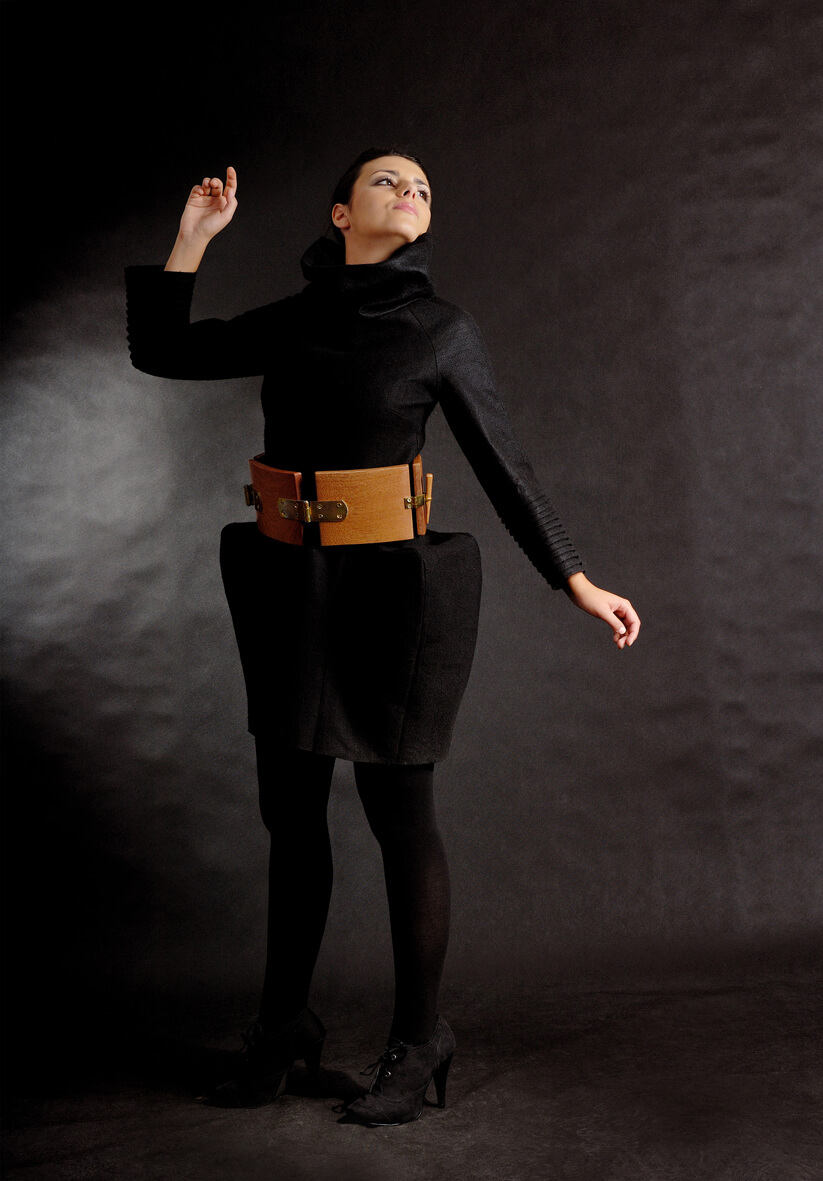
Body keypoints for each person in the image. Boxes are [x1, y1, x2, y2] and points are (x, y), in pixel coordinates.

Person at [125, 148, 640, 1127]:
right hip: (289, 584)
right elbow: (163, 350)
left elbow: (504, 463)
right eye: (387, 182)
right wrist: (191, 238)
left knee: (398, 813)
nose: (409, 193)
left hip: (393, 595)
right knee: (290, 812)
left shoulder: (441, 330)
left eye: (422, 189)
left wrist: (574, 578)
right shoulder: (296, 318)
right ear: (340, 212)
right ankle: (283, 1028)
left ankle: (418, 1035)